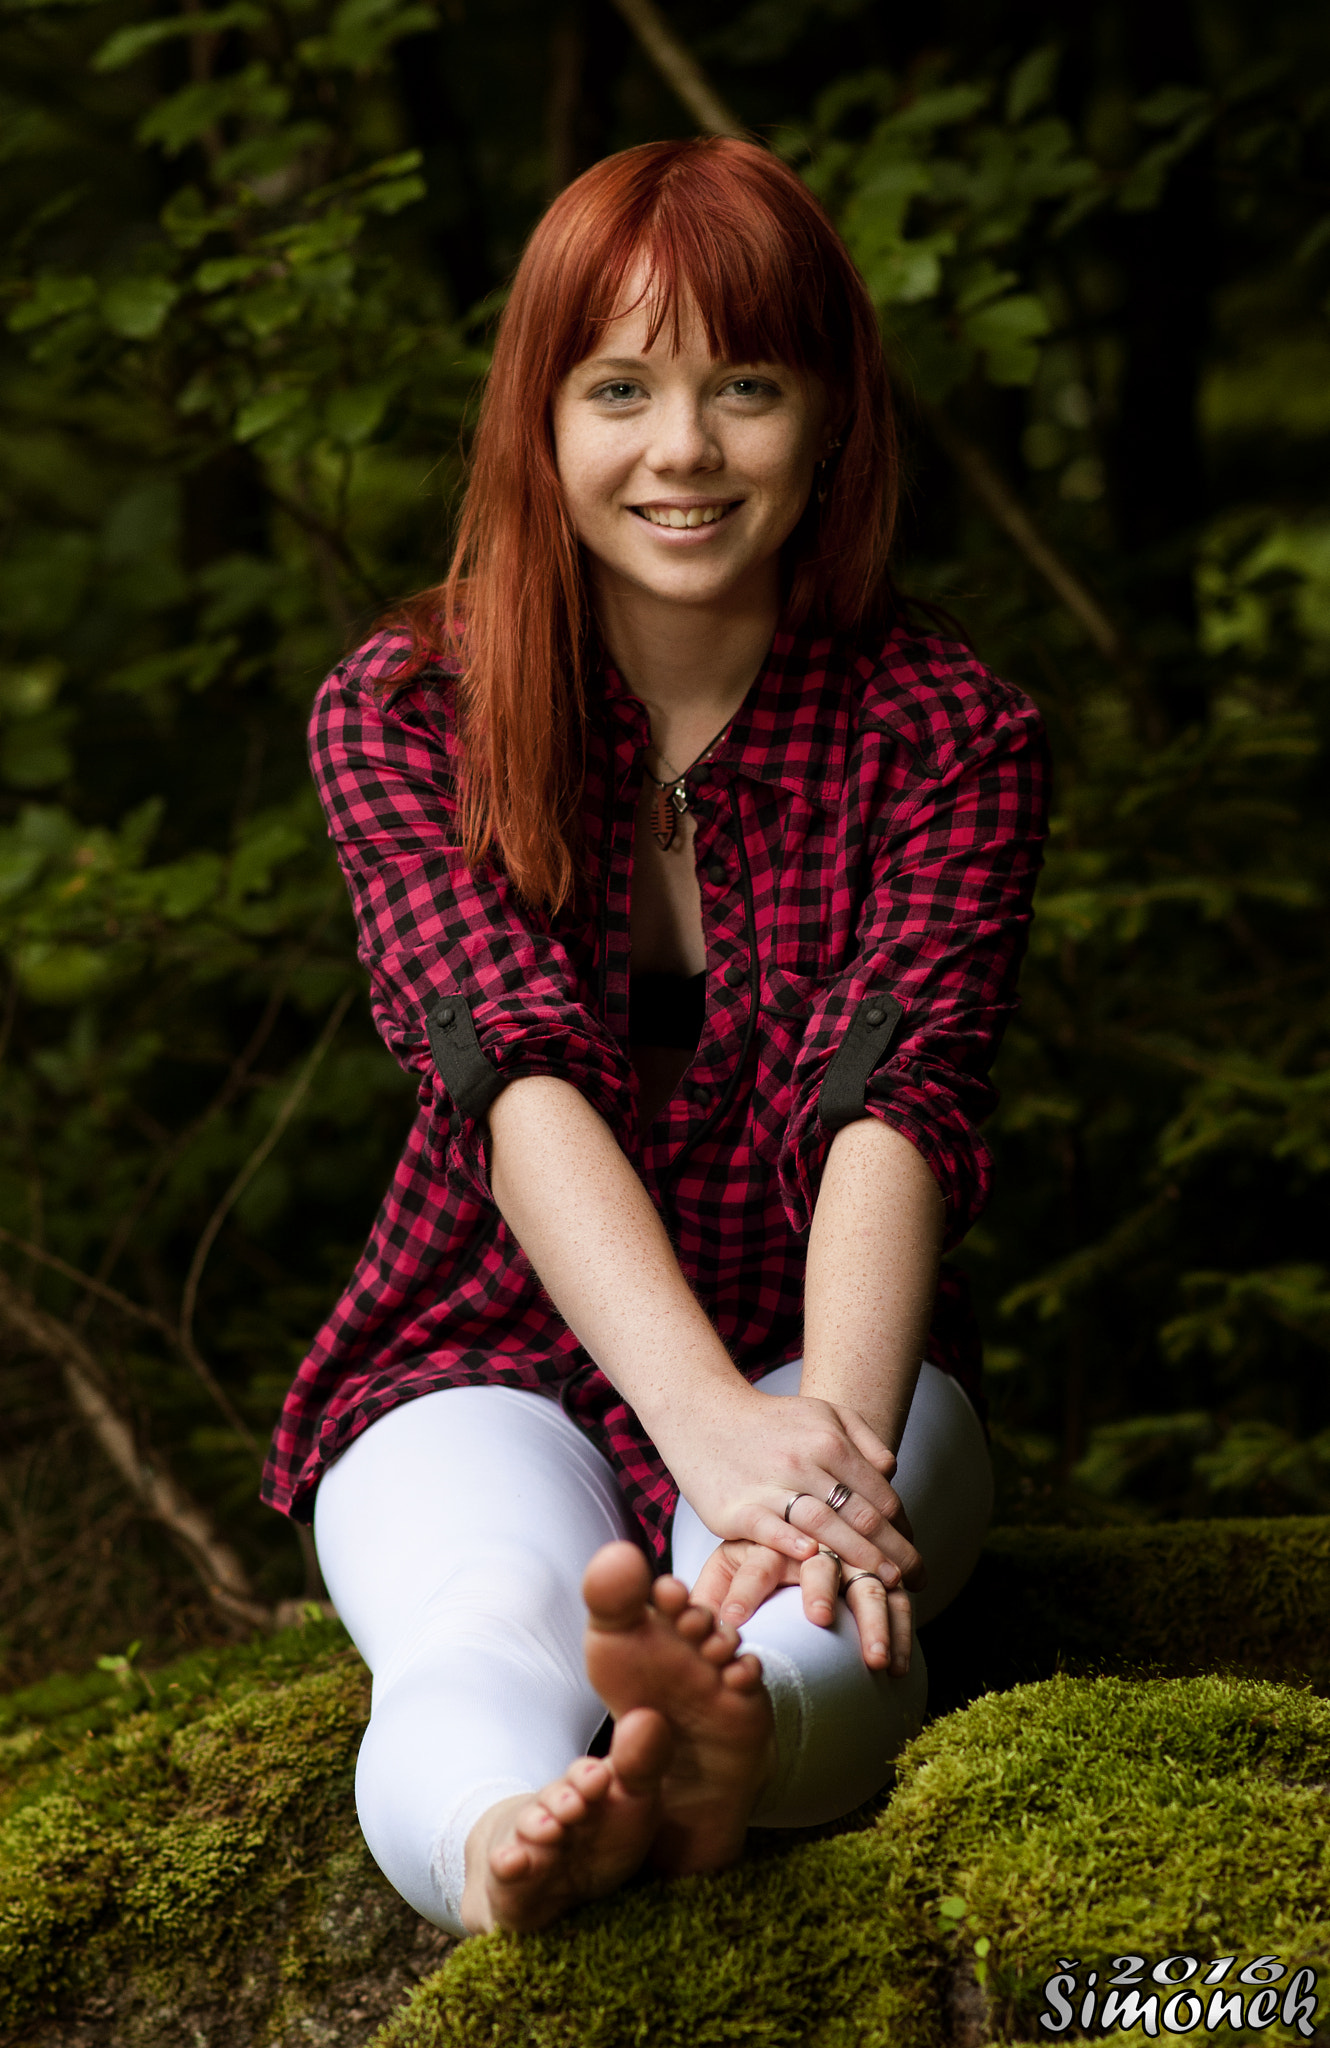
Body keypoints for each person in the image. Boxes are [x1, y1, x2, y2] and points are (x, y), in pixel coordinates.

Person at [261, 136, 1048, 1939]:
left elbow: (895, 1102)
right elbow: (502, 1063)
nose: (680, 450)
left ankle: (720, 1759)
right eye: (618, 388)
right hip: (474, 1347)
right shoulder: (406, 710)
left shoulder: (949, 736)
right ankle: (498, 1848)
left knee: (804, 1610)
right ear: (537, 421)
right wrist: (691, 1427)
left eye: (742, 388)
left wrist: (820, 1447)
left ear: (830, 417)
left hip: (822, 1349)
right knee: (473, 1622)